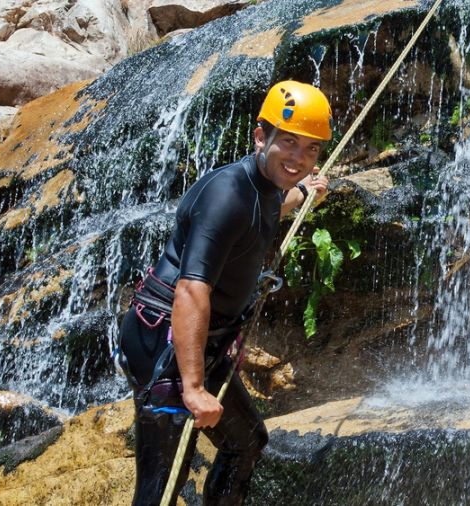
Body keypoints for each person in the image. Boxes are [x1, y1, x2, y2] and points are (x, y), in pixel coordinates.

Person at [116, 80, 333, 505]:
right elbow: (191, 291)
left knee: (247, 441)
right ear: (260, 136)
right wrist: (194, 389)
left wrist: (306, 192)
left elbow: (269, 205)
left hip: (202, 340)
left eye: (311, 149)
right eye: (289, 143)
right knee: (163, 483)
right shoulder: (226, 195)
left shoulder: (266, 184)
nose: (299, 158)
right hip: (163, 343)